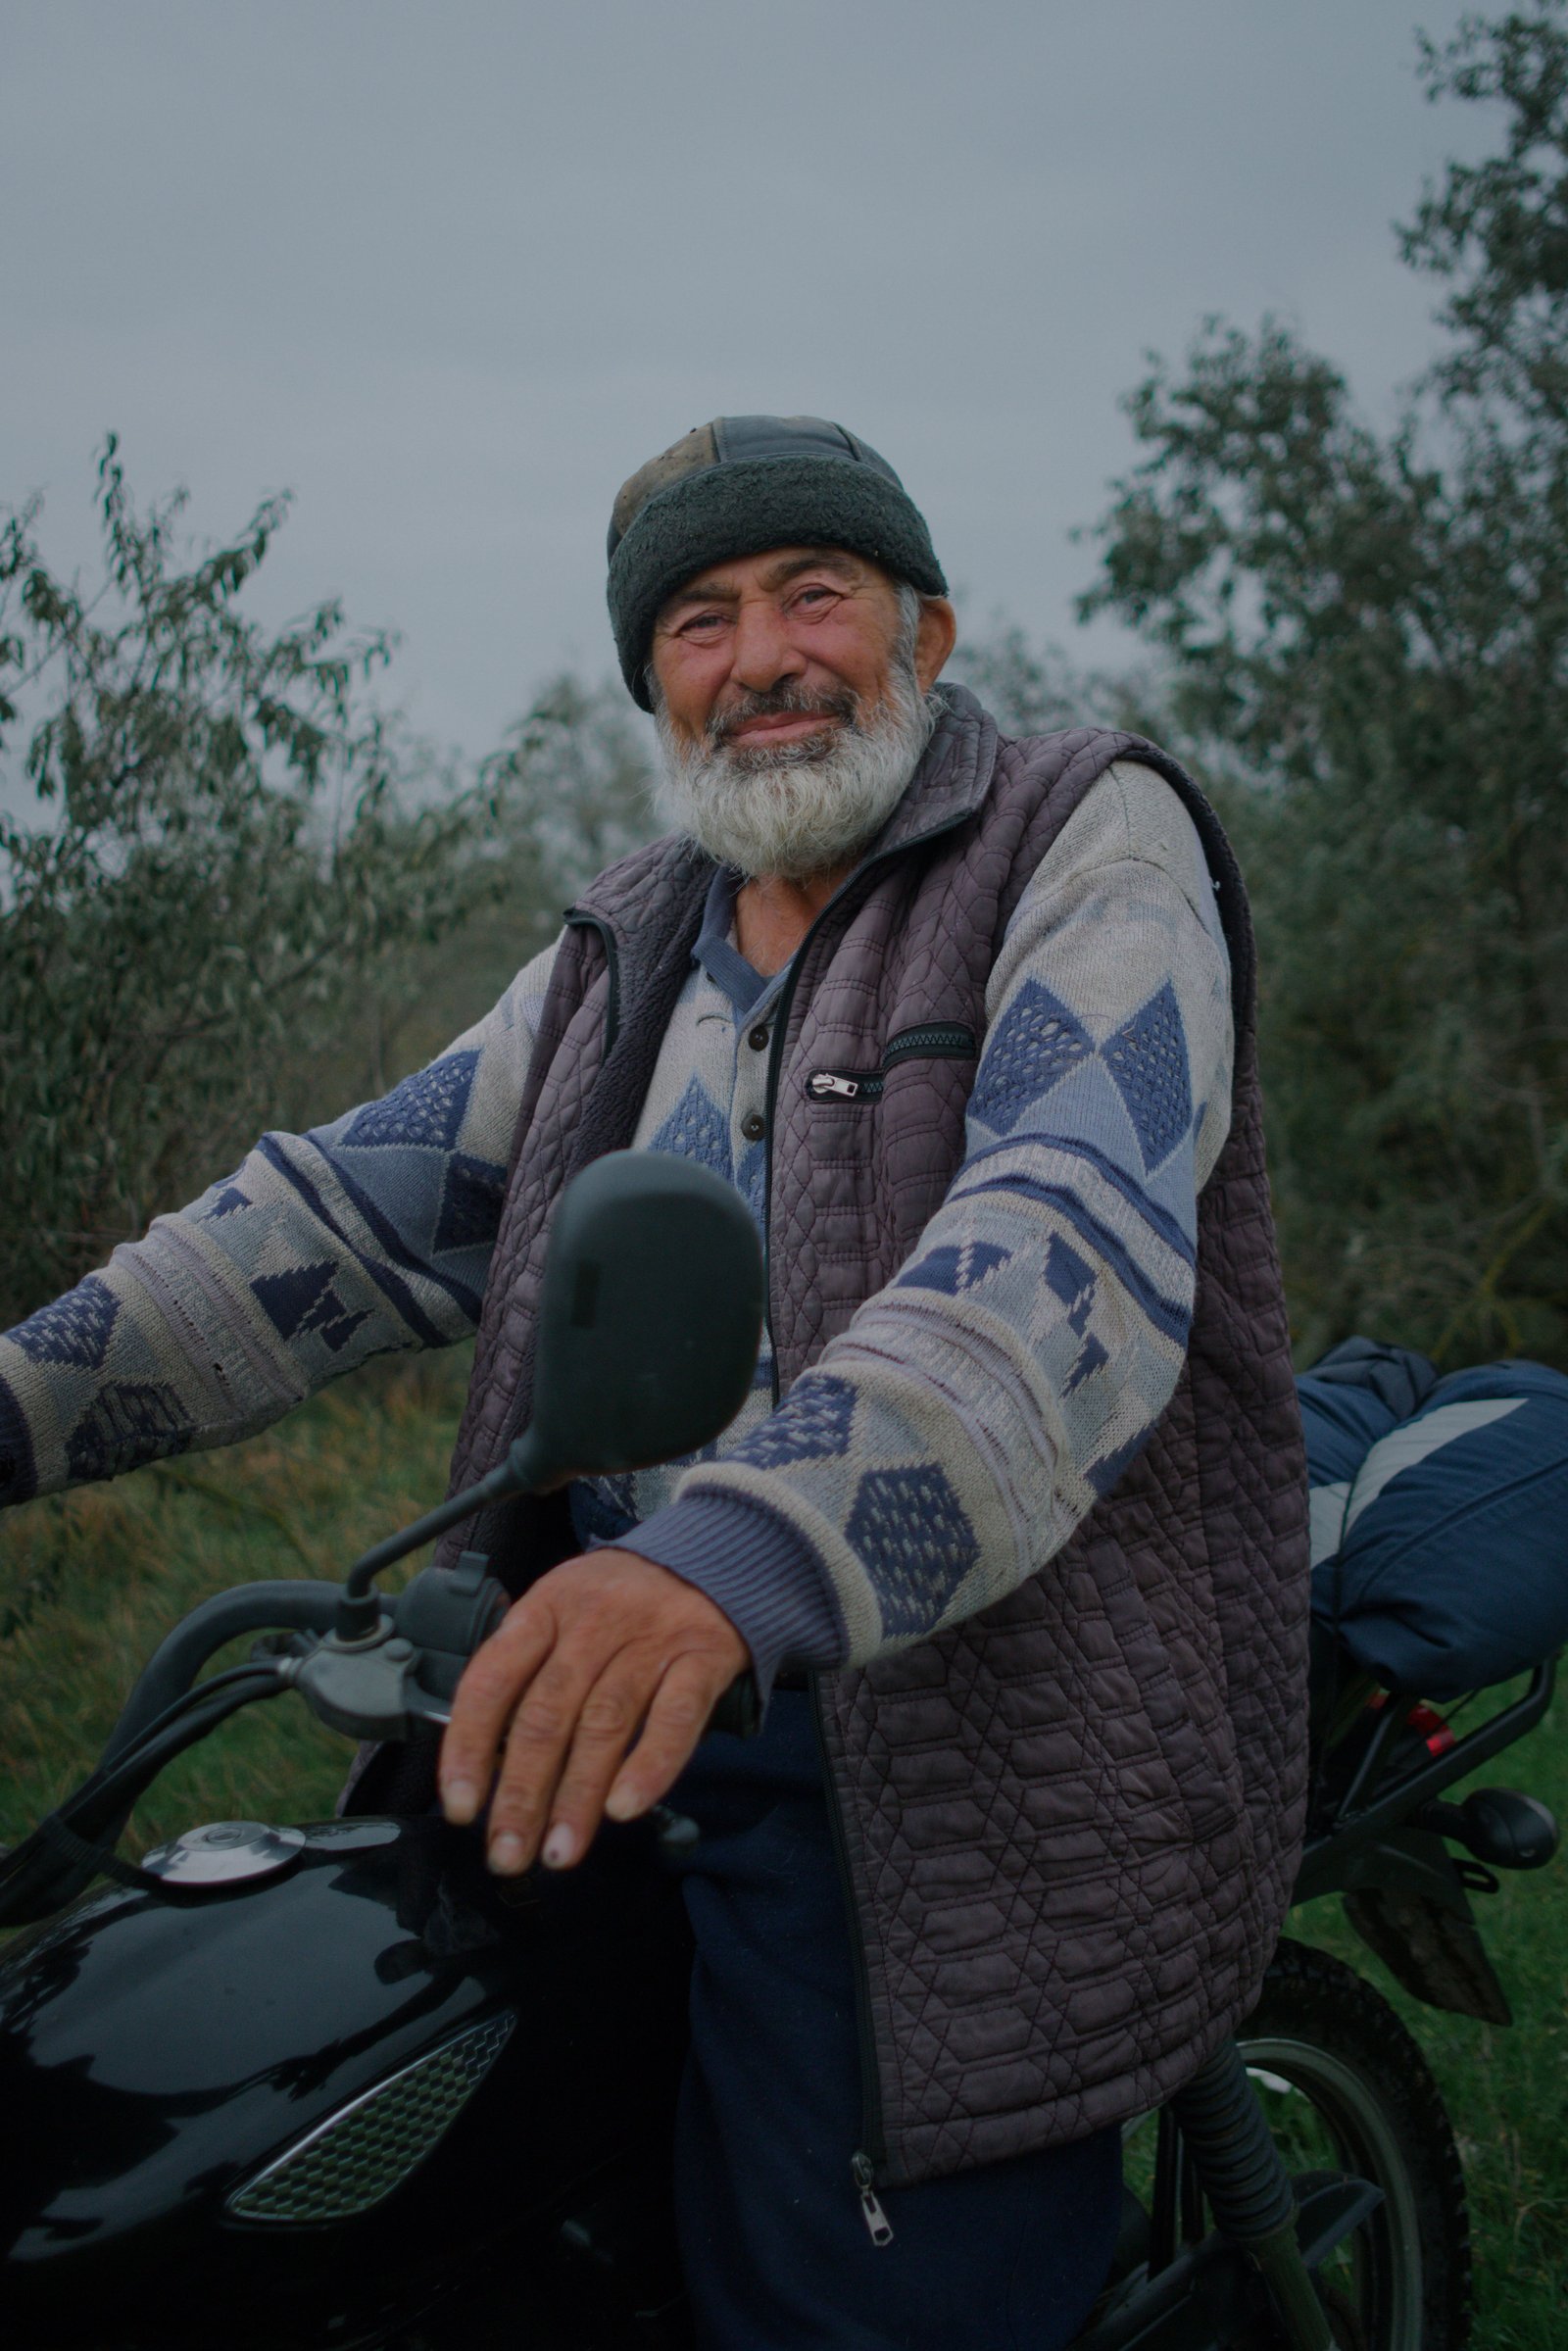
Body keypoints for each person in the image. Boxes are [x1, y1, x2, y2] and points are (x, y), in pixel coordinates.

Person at [0, 415, 1309, 2348]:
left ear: (923, 633)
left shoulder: (1072, 836)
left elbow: (1067, 1250)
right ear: (649, 683)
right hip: (594, 1687)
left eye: (813, 594)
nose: (762, 656)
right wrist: (22, 1407)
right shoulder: (629, 943)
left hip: (951, 1733)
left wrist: (736, 1549)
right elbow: (335, 1228)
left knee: (839, 2312)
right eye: (697, 620)